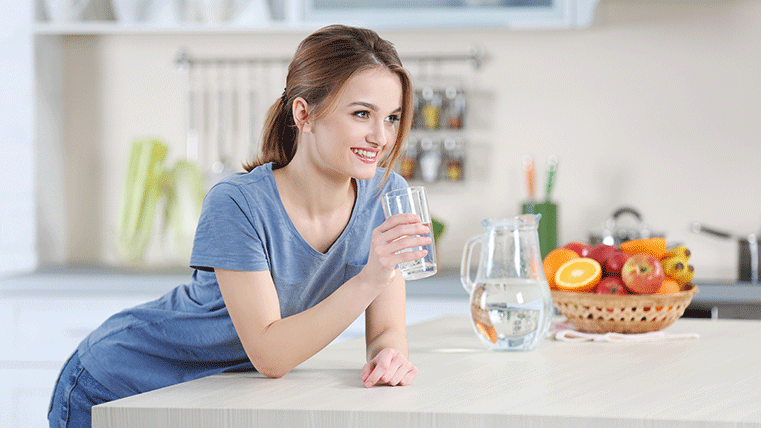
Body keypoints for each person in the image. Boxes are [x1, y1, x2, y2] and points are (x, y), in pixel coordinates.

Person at [48, 24, 428, 428]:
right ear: (305, 114)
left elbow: (387, 329)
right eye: (362, 114)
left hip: (219, 395)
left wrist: (390, 356)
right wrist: (371, 279)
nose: (381, 136)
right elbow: (270, 355)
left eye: (391, 118)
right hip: (122, 383)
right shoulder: (236, 203)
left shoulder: (387, 195)